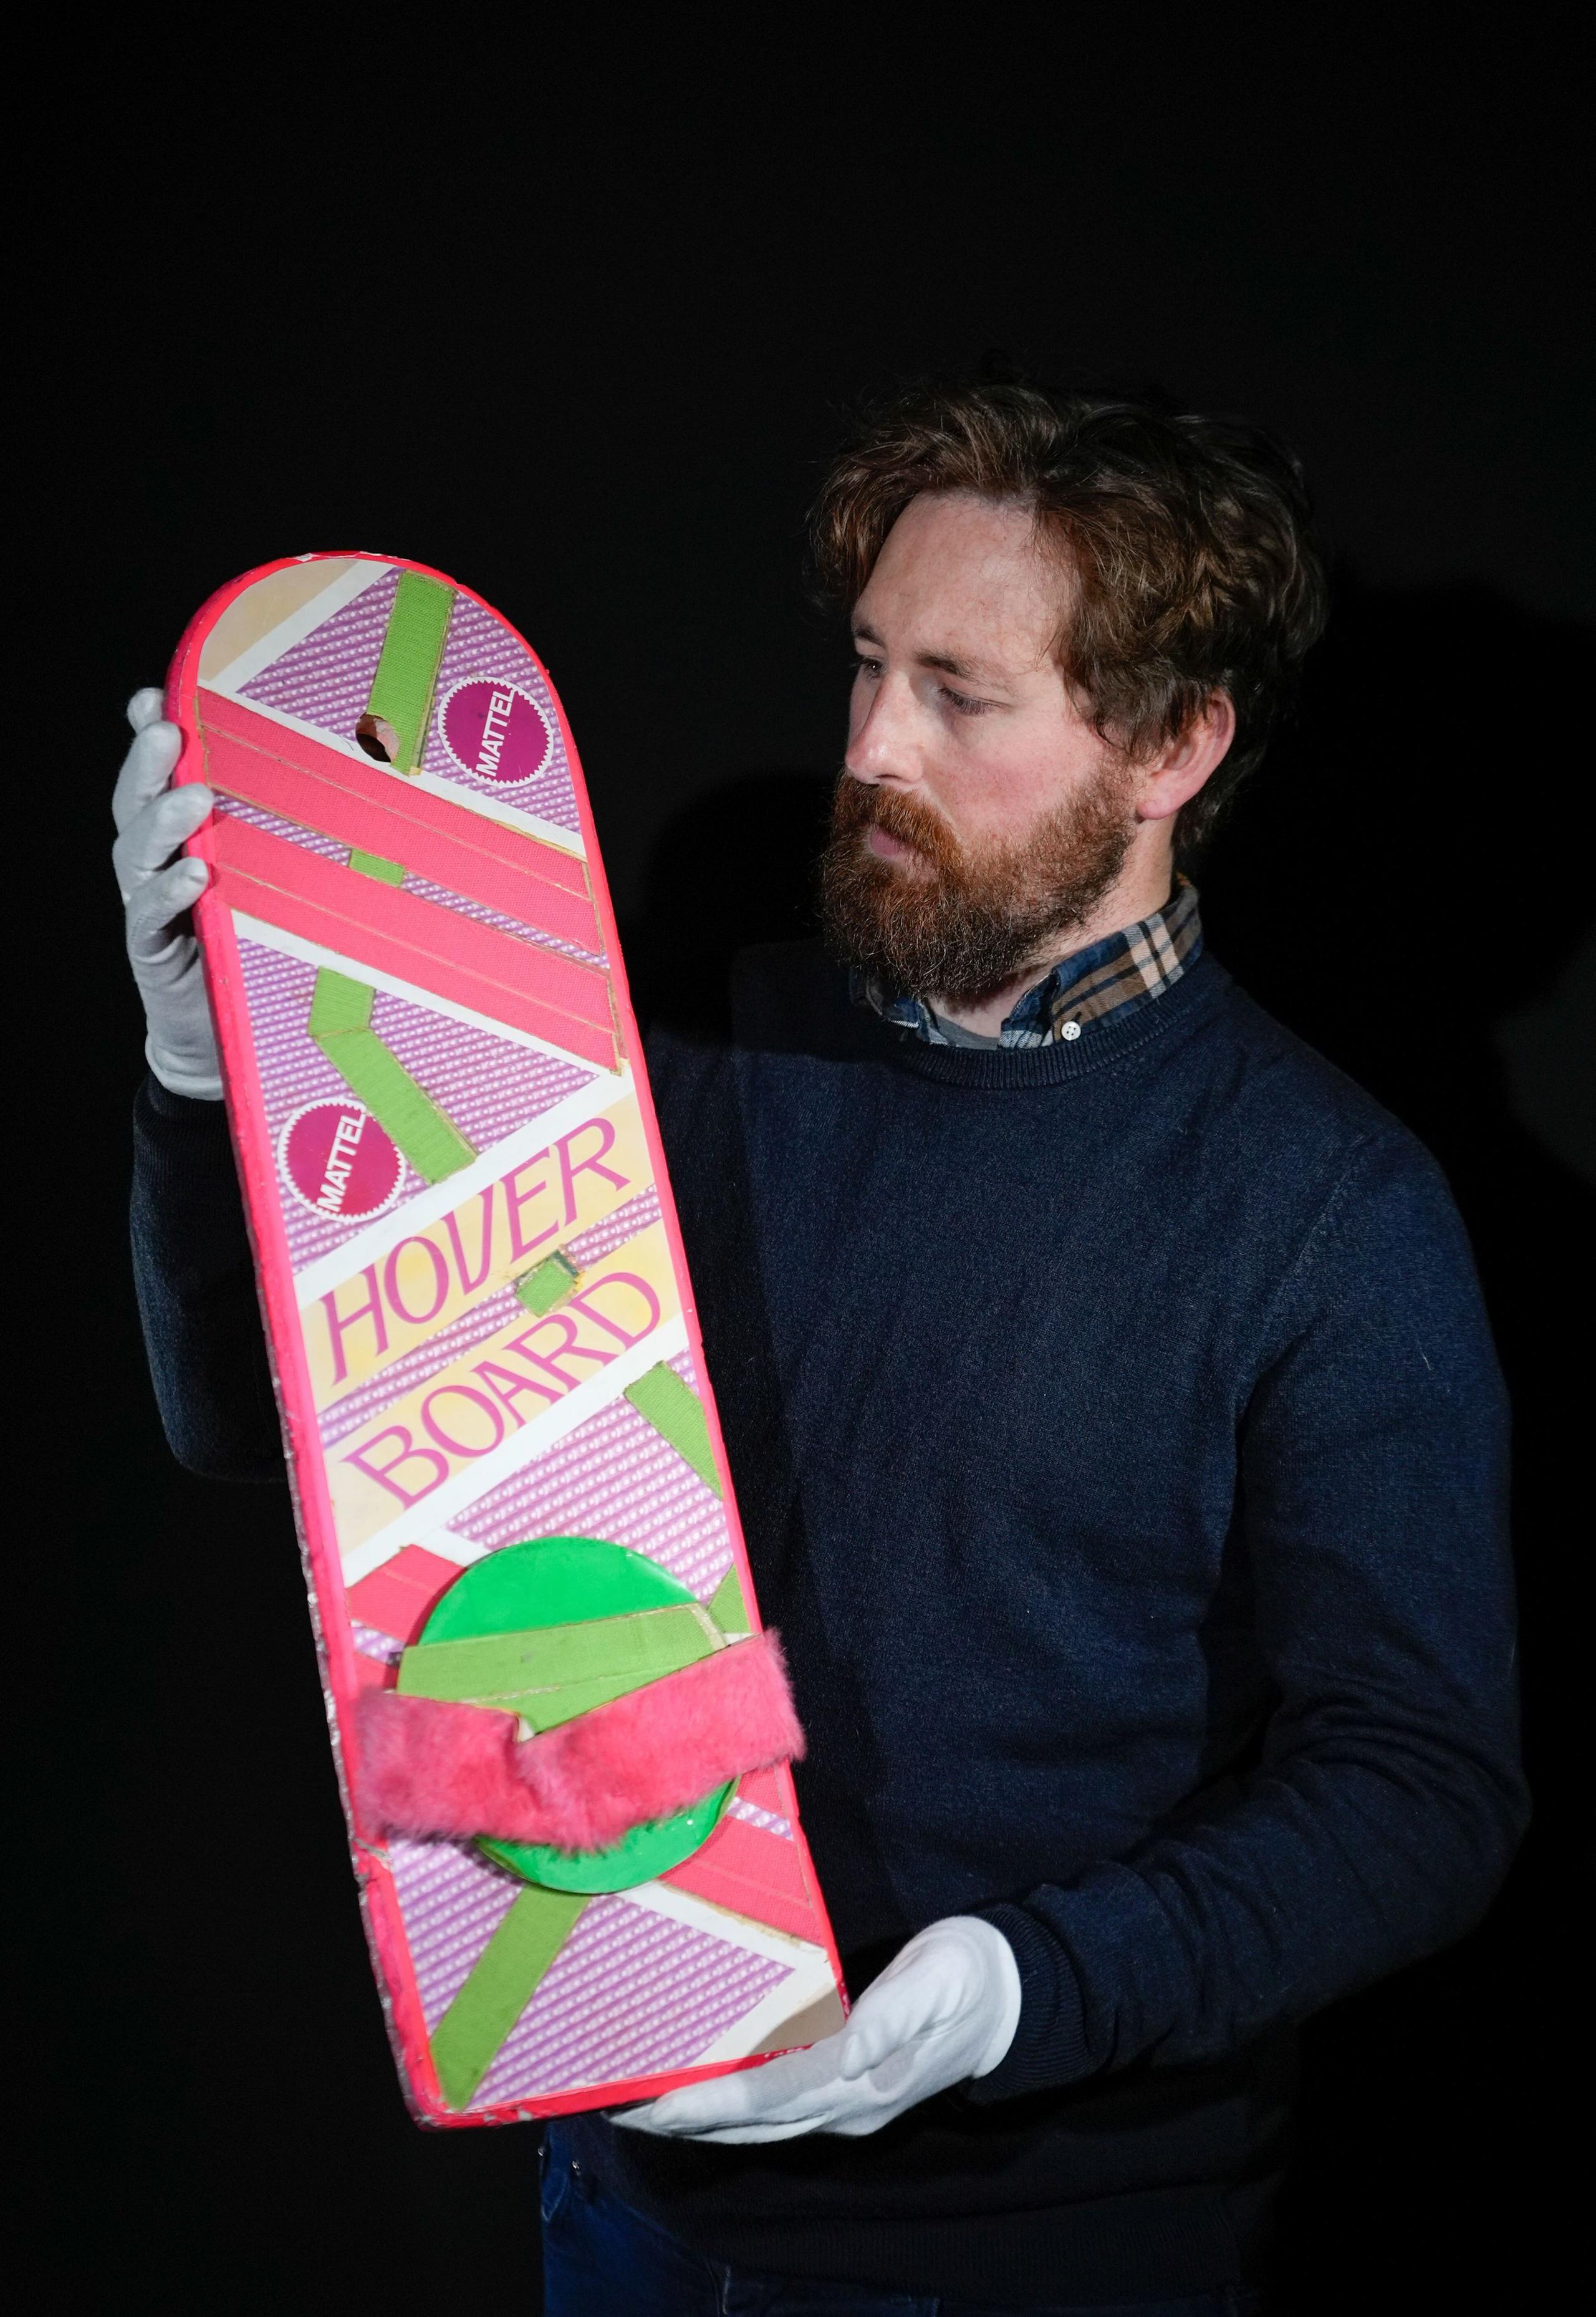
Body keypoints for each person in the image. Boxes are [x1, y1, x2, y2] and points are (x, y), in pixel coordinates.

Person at [117, 380, 1527, 2316]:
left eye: (961, 693)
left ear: (1173, 742)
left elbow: (1423, 1785)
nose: (868, 749)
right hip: (619, 2192)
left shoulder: (1326, 1212)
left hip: (1042, 2251)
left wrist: (1015, 1991)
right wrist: (215, 1070)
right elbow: (244, 1421)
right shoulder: (689, 1060)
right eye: (868, 664)